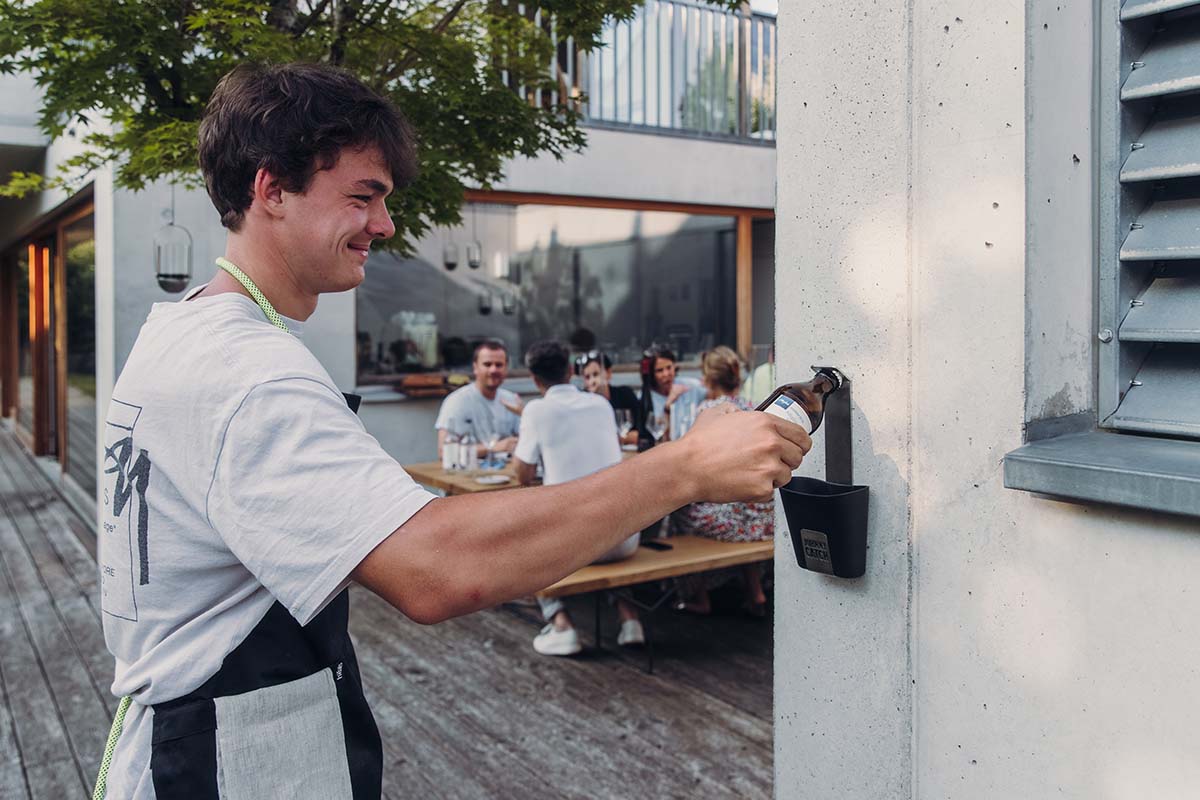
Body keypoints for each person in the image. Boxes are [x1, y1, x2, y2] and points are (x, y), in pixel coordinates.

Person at [94, 62, 810, 799]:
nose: (385, 224)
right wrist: (686, 467)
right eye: (363, 197)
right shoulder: (249, 370)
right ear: (271, 189)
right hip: (219, 762)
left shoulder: (180, 332)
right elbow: (435, 569)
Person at [514, 342, 644, 654]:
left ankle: (560, 623)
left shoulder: (536, 410)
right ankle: (630, 619)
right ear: (571, 372)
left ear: (534, 379)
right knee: (606, 515)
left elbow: (523, 475)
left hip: (574, 547)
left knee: (525, 543)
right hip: (624, 540)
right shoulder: (600, 405)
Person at [671, 347, 774, 617]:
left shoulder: (710, 411)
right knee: (735, 499)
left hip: (738, 521)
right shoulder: (752, 407)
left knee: (677, 512)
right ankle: (755, 594)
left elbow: (696, 464)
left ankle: (699, 596)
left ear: (708, 379)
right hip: (765, 518)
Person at [434, 339, 521, 460]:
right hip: (467, 475)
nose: (493, 370)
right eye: (487, 364)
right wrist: (491, 447)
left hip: (507, 474)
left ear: (506, 368)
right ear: (475, 367)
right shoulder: (457, 401)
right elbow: (444, 453)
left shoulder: (511, 400)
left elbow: (525, 443)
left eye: (499, 365)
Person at [575, 350, 641, 446]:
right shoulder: (581, 403)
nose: (592, 381)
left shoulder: (625, 394)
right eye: (587, 377)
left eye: (596, 374)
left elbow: (640, 434)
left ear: (608, 373)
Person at [645, 344, 701, 420]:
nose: (666, 374)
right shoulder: (645, 398)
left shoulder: (690, 385)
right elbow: (655, 429)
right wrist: (669, 404)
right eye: (659, 370)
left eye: (669, 367)